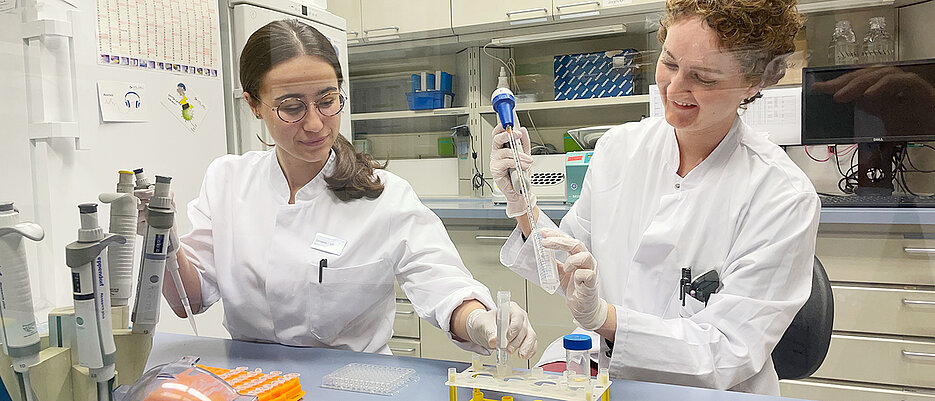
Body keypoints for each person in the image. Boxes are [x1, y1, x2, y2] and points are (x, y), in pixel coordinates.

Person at [142, 19, 537, 359]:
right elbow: (188, 301)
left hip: (352, 384)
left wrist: (482, 320)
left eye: (327, 101)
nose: (315, 124)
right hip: (251, 384)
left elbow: (443, 285)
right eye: (291, 107)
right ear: (254, 104)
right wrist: (162, 236)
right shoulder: (227, 180)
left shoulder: (385, 195)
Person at [491, 0, 818, 395]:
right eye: (670, 62)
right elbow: (568, 264)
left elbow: (728, 353)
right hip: (605, 380)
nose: (676, 88)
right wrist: (523, 204)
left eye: (705, 78)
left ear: (754, 83)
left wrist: (605, 318)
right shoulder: (619, 149)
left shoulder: (782, 195)